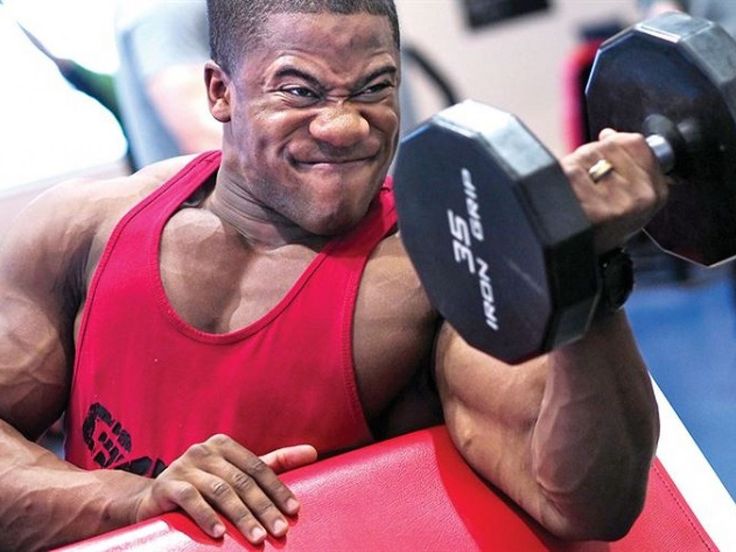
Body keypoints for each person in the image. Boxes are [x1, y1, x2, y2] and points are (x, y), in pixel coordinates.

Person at [0, 1, 663, 549]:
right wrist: (135, 503)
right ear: (221, 92)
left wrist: (588, 274)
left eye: (374, 88)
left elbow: (585, 504)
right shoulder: (84, 228)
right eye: (299, 90)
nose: (345, 126)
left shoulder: (433, 276)